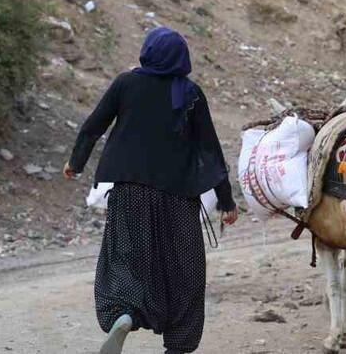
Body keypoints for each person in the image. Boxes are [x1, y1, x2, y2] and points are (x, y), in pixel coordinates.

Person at [63, 26, 239, 354]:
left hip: (130, 192)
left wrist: (76, 162)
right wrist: (226, 201)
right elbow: (210, 151)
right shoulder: (191, 94)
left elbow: (93, 125)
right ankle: (178, 344)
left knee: (128, 259)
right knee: (185, 270)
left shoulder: (126, 83)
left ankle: (125, 313)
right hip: (177, 196)